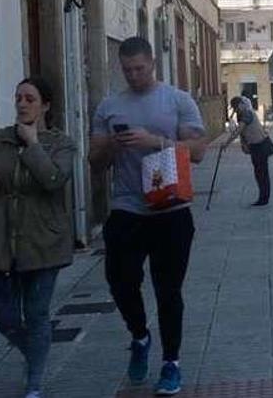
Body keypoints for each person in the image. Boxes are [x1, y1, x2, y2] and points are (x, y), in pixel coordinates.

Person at [89, 37, 207, 396]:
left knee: (167, 290)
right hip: (127, 207)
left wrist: (156, 142)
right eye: (127, 70)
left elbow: (199, 151)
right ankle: (140, 336)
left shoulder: (177, 100)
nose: (135, 75)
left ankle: (171, 363)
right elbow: (94, 163)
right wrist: (112, 142)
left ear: (152, 63)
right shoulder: (109, 106)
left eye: (140, 68)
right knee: (120, 281)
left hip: (171, 208)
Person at [0, 77, 77, 398]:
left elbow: (54, 180)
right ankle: (34, 355)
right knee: (4, 317)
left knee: (37, 313)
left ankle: (34, 382)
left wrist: (33, 145)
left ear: (45, 105)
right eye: (18, 98)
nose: (22, 104)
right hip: (0, 241)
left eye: (30, 98)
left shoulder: (61, 144)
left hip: (43, 242)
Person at [230, 96, 273, 206]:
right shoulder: (242, 115)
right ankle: (263, 197)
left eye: (236, 107)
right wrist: (243, 144)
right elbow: (242, 133)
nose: (236, 110)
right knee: (259, 173)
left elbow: (238, 130)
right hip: (255, 147)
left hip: (261, 145)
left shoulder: (247, 113)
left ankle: (264, 199)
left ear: (241, 104)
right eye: (234, 108)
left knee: (262, 173)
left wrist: (226, 144)